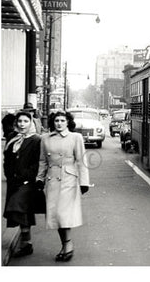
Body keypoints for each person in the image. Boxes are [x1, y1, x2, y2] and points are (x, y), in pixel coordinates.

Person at [36, 111, 90, 262]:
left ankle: (68, 245)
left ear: (68, 123)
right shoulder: (45, 139)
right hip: (52, 180)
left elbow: (81, 161)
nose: (59, 123)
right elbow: (42, 161)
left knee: (62, 214)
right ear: (53, 122)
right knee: (56, 216)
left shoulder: (75, 137)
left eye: (62, 120)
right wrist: (39, 179)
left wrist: (84, 182)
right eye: (56, 120)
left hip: (68, 180)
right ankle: (66, 245)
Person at [3, 110, 42, 257]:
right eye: (20, 121)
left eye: (25, 121)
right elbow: (7, 159)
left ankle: (26, 243)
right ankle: (27, 243)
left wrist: (25, 176)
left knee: (19, 208)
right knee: (21, 212)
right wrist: (9, 175)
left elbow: (37, 163)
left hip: (26, 182)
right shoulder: (12, 137)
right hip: (13, 181)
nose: (22, 124)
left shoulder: (36, 140)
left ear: (31, 123)